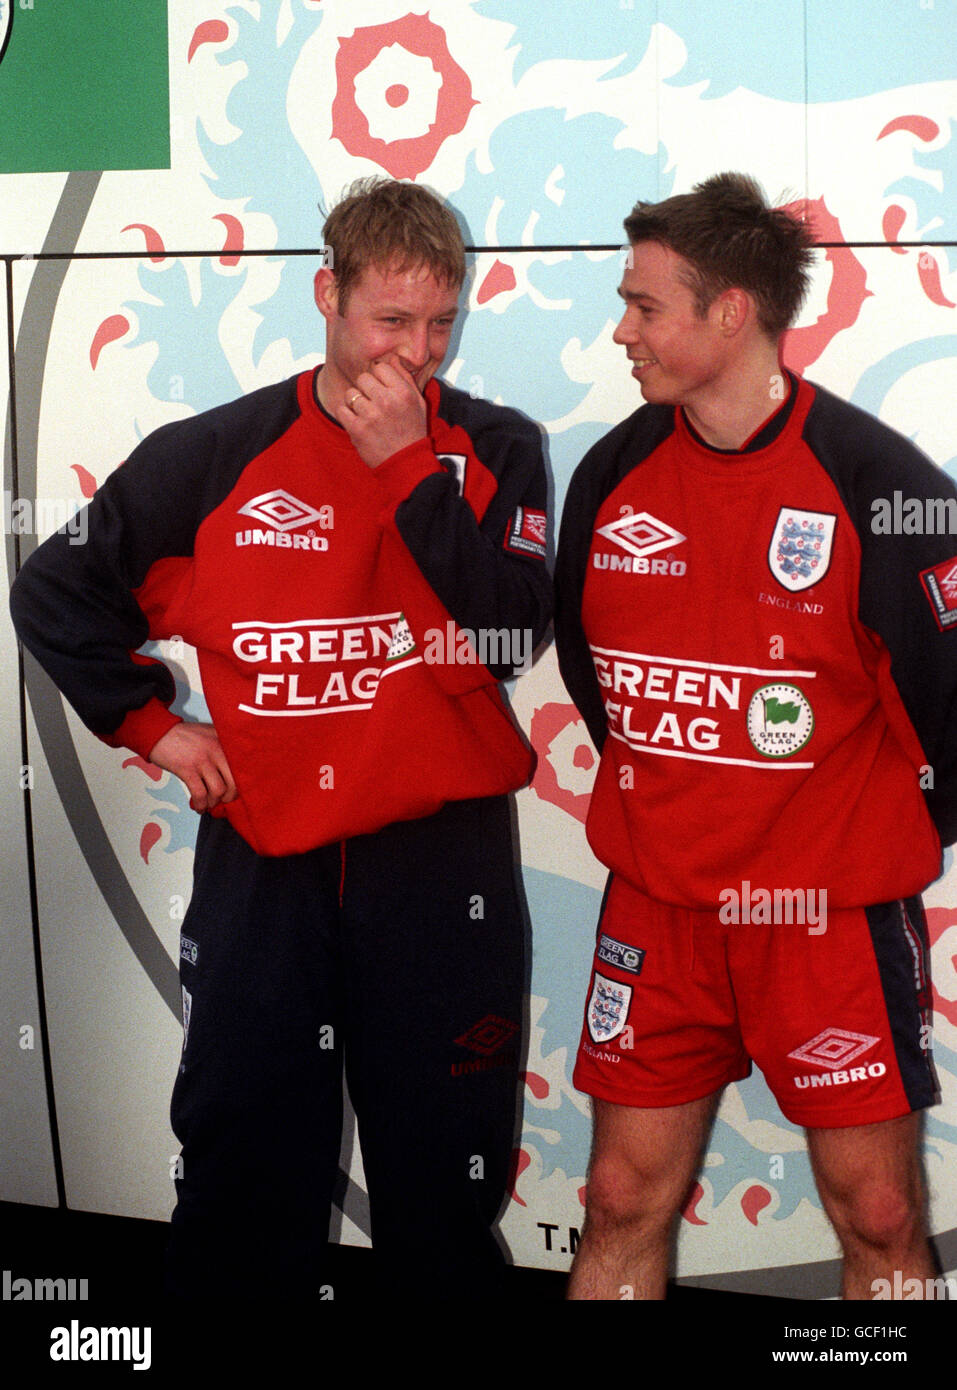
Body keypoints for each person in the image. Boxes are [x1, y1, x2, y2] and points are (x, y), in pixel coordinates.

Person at [11, 177, 551, 1297]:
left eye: (441, 323)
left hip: (440, 868)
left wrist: (410, 464)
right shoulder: (214, 453)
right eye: (390, 321)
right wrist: (155, 727)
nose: (417, 353)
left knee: (444, 1193)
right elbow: (56, 587)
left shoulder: (497, 445)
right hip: (269, 866)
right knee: (244, 1178)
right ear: (328, 296)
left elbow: (508, 637)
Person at [554, 172, 954, 1300]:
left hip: (823, 922)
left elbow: (946, 708)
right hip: (660, 912)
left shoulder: (878, 486)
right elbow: (597, 679)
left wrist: (860, 843)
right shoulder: (614, 472)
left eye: (644, 306)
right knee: (621, 1199)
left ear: (730, 313)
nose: (622, 329)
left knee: (878, 1213)